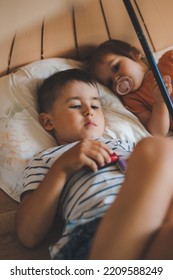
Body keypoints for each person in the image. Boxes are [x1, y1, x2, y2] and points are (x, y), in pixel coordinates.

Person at [16, 68, 173, 260]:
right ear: (48, 121)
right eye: (75, 106)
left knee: (159, 153)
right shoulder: (47, 158)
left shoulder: (125, 144)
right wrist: (62, 167)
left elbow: (158, 138)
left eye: (96, 106)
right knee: (156, 150)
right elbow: (27, 235)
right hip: (95, 233)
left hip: (151, 226)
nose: (88, 111)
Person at [89, 39, 173, 136]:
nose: (116, 79)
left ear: (134, 54)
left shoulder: (168, 60)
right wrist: (160, 103)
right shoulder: (132, 99)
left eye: (116, 67)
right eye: (109, 82)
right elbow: (158, 132)